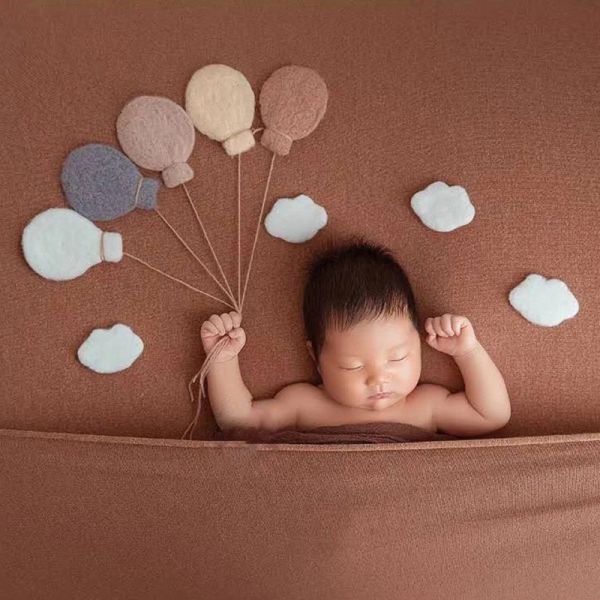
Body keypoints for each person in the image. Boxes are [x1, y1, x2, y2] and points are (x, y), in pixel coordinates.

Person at [201, 237, 511, 438]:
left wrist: (467, 352)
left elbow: (491, 415)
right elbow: (237, 422)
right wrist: (222, 359)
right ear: (316, 359)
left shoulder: (425, 405)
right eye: (352, 366)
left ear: (418, 342)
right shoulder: (304, 404)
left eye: (398, 358)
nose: (379, 379)